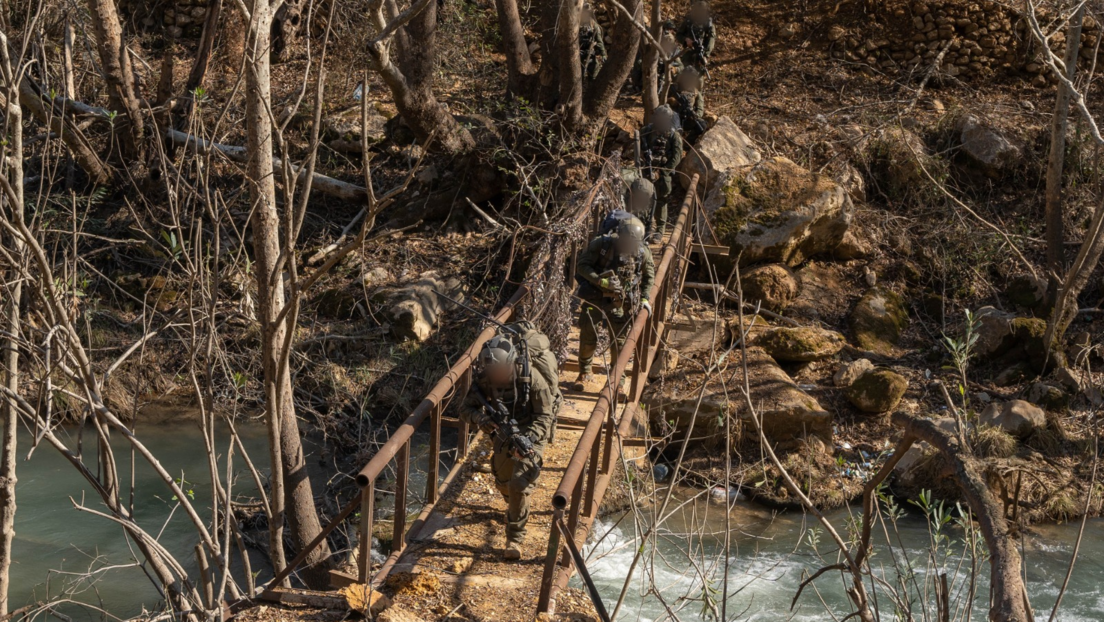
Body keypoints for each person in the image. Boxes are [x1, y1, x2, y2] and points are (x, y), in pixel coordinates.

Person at [459, 326, 561, 560]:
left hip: (532, 431)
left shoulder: (531, 378)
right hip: (503, 431)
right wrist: (481, 419)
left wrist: (530, 438)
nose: (496, 375)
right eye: (492, 370)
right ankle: (514, 504)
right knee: (503, 481)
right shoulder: (485, 380)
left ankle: (515, 537)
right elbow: (465, 409)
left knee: (518, 483)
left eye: (500, 370)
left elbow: (545, 415)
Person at [573, 216, 655, 394]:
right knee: (589, 334)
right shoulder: (602, 245)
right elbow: (582, 265)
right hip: (595, 295)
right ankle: (584, 372)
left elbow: (649, 276)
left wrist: (644, 299)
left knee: (619, 342)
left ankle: (617, 380)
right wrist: (601, 282)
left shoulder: (642, 252)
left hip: (620, 300)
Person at [639, 105, 683, 240]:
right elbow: (637, 149)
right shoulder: (646, 132)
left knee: (661, 200)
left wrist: (662, 171)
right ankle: (645, 226)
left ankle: (660, 229)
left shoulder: (673, 135)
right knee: (643, 198)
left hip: (663, 174)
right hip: (647, 170)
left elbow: (677, 156)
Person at [670, 66, 707, 145]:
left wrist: (695, 115)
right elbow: (662, 101)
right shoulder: (673, 88)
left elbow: (700, 108)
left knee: (702, 125)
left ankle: (688, 144)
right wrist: (674, 102)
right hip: (673, 117)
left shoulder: (696, 92)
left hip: (688, 118)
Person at [677, 0, 715, 75]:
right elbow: (678, 34)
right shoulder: (688, 21)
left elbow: (711, 40)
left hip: (701, 54)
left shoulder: (708, 24)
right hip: (688, 53)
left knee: (698, 80)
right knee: (684, 77)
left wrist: (705, 55)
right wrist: (686, 40)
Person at [580, 4, 607, 81]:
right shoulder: (575, 23)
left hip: (590, 52)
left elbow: (599, 41)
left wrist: (603, 54)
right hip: (578, 54)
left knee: (594, 73)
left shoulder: (593, 24)